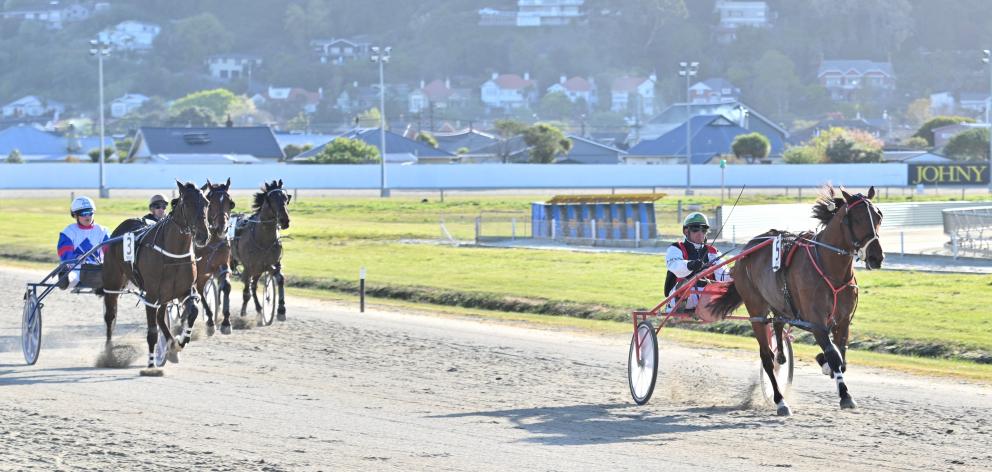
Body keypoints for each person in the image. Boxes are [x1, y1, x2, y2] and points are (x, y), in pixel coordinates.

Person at [664, 212, 730, 310]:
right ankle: (681, 306)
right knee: (684, 284)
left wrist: (735, 273)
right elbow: (676, 266)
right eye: (695, 229)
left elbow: (724, 275)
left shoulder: (713, 252)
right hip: (681, 295)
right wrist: (691, 265)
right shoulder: (676, 248)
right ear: (686, 231)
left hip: (706, 297)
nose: (700, 233)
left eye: (704, 230)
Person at [56, 196, 109, 290]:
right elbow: (64, 252)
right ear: (75, 215)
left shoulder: (102, 231)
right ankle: (65, 279)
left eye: (90, 212)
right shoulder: (68, 232)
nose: (87, 216)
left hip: (96, 269)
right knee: (72, 277)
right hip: (75, 268)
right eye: (83, 213)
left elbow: (109, 251)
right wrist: (76, 257)